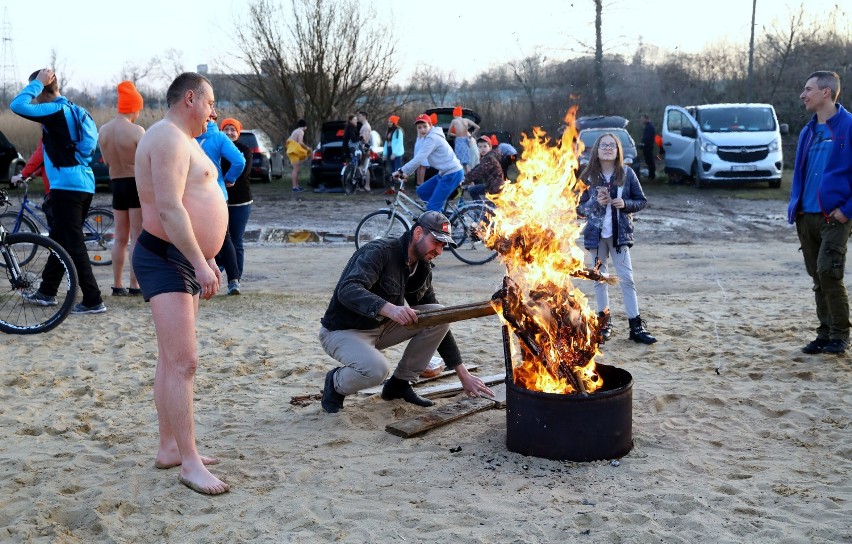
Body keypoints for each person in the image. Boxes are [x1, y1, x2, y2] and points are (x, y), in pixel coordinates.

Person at [133, 72, 229, 495]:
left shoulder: (184, 139)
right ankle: (189, 463)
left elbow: (191, 203)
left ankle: (169, 447)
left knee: (171, 359)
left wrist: (207, 255)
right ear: (190, 98)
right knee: (184, 362)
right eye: (210, 104)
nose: (214, 113)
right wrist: (200, 261)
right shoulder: (168, 137)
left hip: (184, 258)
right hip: (166, 258)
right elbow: (170, 209)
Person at [319, 211, 494, 413]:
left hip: (381, 328)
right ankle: (335, 384)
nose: (439, 250)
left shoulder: (422, 266)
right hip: (342, 332)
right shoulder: (380, 251)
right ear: (418, 233)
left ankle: (399, 385)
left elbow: (436, 319)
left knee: (439, 315)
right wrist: (389, 309)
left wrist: (462, 373)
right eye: (436, 242)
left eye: (443, 245)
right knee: (377, 370)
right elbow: (348, 290)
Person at [11, 68, 106, 314]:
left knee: (73, 244)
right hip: (84, 183)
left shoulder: (54, 110)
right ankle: (47, 291)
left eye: (36, 90)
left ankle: (93, 300)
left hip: (66, 187)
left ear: (41, 90)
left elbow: (18, 105)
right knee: (60, 239)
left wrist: (36, 83)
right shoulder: (77, 110)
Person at [787, 70, 852, 355]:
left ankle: (840, 335)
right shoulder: (807, 131)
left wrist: (847, 210)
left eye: (808, 89)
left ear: (826, 92)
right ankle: (824, 333)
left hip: (834, 216)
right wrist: (796, 208)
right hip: (806, 215)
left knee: (829, 272)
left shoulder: (849, 126)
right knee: (817, 276)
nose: (803, 95)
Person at [577, 133, 657, 345]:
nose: (608, 148)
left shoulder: (627, 173)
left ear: (618, 150)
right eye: (603, 145)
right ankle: (604, 325)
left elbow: (641, 201)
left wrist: (626, 204)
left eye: (612, 145)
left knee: (627, 279)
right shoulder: (588, 176)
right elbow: (578, 208)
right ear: (597, 149)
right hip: (595, 237)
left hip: (619, 237)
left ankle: (635, 326)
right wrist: (596, 202)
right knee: (600, 280)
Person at [98, 80, 145, 297]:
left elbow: (106, 162)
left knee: (119, 238)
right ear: (133, 107)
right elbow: (145, 162)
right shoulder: (137, 131)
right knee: (137, 237)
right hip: (135, 184)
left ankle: (117, 285)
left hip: (116, 184)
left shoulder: (103, 131)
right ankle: (135, 285)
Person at [195, 109, 246, 295]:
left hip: (194, 196)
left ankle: (202, 282)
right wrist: (229, 179)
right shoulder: (218, 137)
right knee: (224, 239)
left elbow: (240, 161)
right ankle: (233, 281)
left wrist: (229, 178)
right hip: (217, 194)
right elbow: (239, 162)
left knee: (195, 238)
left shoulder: (189, 137)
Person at [394, 114, 464, 212]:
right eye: (419, 127)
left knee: (432, 207)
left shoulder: (433, 138)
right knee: (422, 191)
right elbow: (420, 159)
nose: (422, 129)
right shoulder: (427, 138)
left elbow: (419, 158)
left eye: (425, 126)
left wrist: (401, 170)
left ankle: (438, 219)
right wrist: (407, 173)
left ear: (430, 125)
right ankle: (438, 215)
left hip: (452, 173)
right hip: (444, 173)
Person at [220, 117, 254, 285]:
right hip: (219, 202)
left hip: (241, 202)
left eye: (233, 129)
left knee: (236, 240)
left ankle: (235, 279)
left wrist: (226, 178)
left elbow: (244, 172)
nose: (229, 132)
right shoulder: (217, 148)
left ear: (238, 132)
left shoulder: (245, 150)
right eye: (226, 129)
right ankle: (218, 269)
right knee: (219, 239)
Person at [11, 139, 52, 227]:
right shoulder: (67, 134)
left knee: (50, 210)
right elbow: (51, 161)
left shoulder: (50, 134)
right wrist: (35, 173)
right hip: (79, 184)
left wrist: (22, 175)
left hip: (58, 188)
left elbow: (39, 157)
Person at [465, 135, 504, 201]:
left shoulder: (489, 158)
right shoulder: (486, 157)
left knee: (473, 190)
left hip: (494, 186)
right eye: (480, 147)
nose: (482, 149)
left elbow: (478, 171)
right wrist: (467, 175)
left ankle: (479, 208)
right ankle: (480, 208)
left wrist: (465, 180)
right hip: (492, 184)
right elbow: (477, 167)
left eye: (485, 146)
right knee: (472, 190)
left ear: (490, 147)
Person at [448, 106, 480, 173]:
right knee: (466, 163)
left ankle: (461, 180)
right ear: (461, 114)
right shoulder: (466, 120)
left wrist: (456, 135)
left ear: (454, 115)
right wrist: (471, 136)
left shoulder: (454, 121)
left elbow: (449, 133)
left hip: (459, 142)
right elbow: (477, 127)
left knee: (458, 162)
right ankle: (470, 181)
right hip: (466, 141)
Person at [285, 119, 311, 192]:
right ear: (305, 126)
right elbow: (300, 142)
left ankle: (297, 186)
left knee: (297, 169)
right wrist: (307, 147)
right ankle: (294, 187)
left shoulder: (295, 130)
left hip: (292, 151)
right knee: (295, 169)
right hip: (293, 151)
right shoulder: (301, 131)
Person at [357, 111, 373, 191]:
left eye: (359, 116)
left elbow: (364, 140)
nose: (358, 117)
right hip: (365, 148)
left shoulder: (366, 127)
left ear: (364, 116)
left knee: (364, 167)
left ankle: (367, 186)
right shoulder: (364, 126)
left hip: (365, 148)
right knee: (364, 167)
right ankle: (365, 186)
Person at [640, 114, 656, 180]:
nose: (642, 120)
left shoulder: (649, 127)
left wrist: (644, 144)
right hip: (647, 147)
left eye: (643, 119)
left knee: (650, 162)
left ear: (646, 119)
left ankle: (652, 176)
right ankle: (651, 175)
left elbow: (648, 138)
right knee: (649, 161)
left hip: (648, 147)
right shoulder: (648, 126)